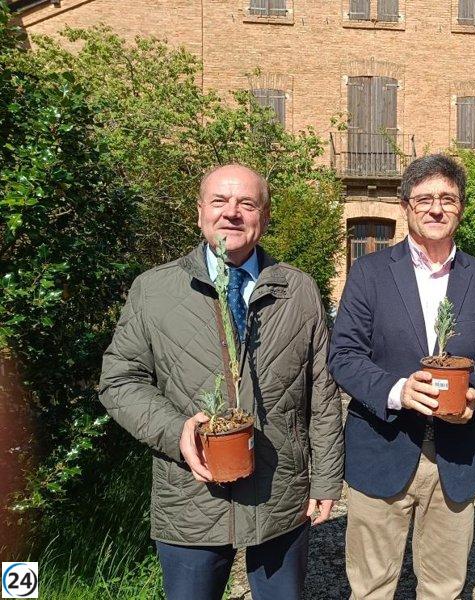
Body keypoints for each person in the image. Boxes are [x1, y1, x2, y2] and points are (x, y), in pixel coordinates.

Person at [99, 164, 343, 600]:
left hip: (280, 494)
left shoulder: (298, 290)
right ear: (199, 214)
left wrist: (326, 479)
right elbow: (119, 380)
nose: (232, 213)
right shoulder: (154, 290)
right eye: (219, 201)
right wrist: (176, 431)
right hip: (191, 497)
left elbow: (321, 393)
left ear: (263, 219)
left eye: (247, 203)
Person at [328, 153, 475, 600]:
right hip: (383, 446)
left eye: (447, 199)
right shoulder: (370, 273)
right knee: (371, 587)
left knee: (444, 587)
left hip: (455, 456)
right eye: (425, 198)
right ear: (405, 205)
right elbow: (343, 355)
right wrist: (397, 391)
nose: (436, 208)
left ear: (461, 208)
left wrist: (474, 395)